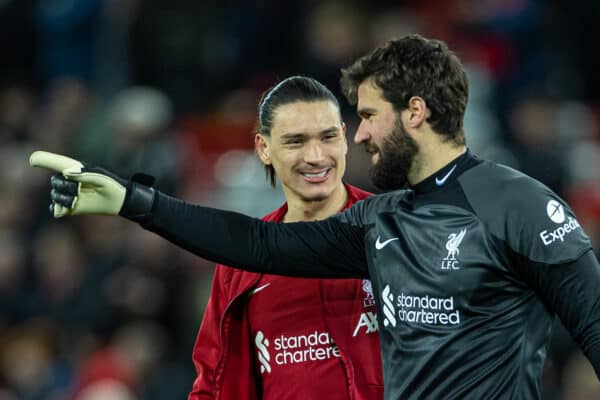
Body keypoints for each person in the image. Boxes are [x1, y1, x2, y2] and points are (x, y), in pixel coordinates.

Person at [31, 34, 600, 399]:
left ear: (416, 114)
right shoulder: (379, 222)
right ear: (264, 148)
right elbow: (260, 244)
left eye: (367, 117)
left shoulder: (520, 206)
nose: (360, 135)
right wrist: (137, 202)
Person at [187, 76, 383, 400]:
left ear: (345, 139)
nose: (316, 156)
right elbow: (212, 384)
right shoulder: (242, 261)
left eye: (328, 137)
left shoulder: (391, 228)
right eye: (296, 142)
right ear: (263, 148)